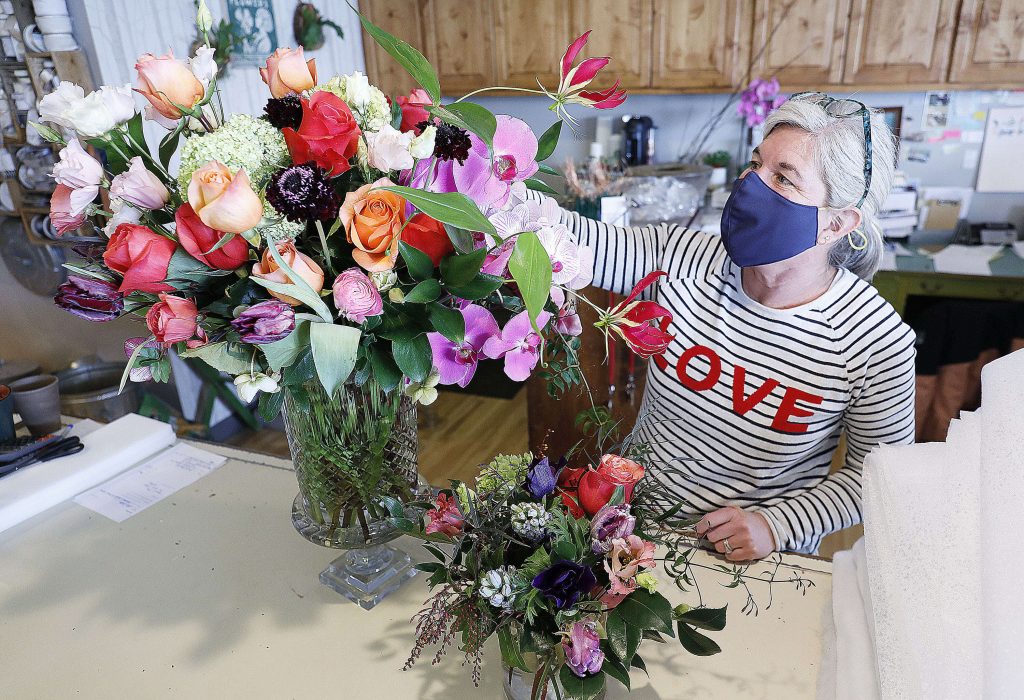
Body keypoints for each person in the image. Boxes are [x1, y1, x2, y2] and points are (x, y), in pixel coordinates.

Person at [547, 93, 915, 558]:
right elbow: (575, 241)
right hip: (629, 531)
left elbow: (876, 477)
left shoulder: (874, 341)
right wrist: (478, 184)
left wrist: (775, 525)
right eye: (757, 163)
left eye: (783, 179)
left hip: (758, 563)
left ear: (837, 223)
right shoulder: (683, 258)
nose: (750, 184)